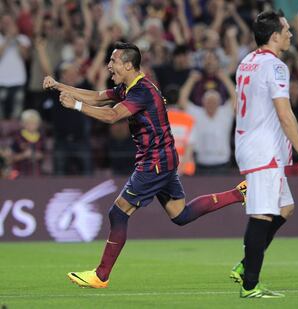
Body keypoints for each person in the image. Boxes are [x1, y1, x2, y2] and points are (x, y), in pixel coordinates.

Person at [43, 41, 246, 289]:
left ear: (128, 65)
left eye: (113, 61)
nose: (108, 66)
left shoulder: (141, 92)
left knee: (118, 212)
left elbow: (111, 115)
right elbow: (97, 97)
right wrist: (58, 86)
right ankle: (238, 193)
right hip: (164, 159)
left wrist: (75, 105)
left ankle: (101, 275)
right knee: (180, 215)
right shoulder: (130, 87)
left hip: (155, 162)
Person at [230, 10, 298, 299]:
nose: (291, 34)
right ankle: (250, 285)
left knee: (285, 208)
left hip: (250, 144)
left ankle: (245, 266)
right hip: (264, 150)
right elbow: (284, 113)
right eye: (287, 29)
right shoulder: (275, 67)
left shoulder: (246, 62)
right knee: (262, 214)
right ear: (275, 36)